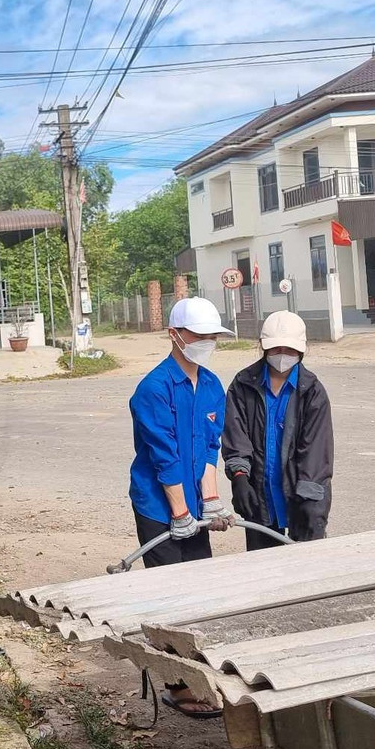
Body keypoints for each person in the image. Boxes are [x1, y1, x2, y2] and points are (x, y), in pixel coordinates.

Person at [128, 296, 235, 719]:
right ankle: (177, 686)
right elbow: (164, 456)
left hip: (194, 505)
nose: (207, 342)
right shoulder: (153, 389)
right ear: (175, 335)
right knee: (168, 597)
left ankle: (199, 675)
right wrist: (178, 512)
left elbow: (210, 447)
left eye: (212, 336)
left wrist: (210, 503)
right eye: (200, 335)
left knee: (197, 591)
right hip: (159, 505)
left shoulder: (210, 384)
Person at [222, 311, 334, 551]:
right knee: (265, 571)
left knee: (305, 573)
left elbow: (316, 453)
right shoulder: (243, 385)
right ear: (263, 346)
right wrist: (240, 478)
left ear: (302, 350)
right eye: (276, 349)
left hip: (302, 498)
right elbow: (236, 436)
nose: (282, 355)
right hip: (259, 496)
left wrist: (310, 501)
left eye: (290, 350)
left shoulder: (312, 391)